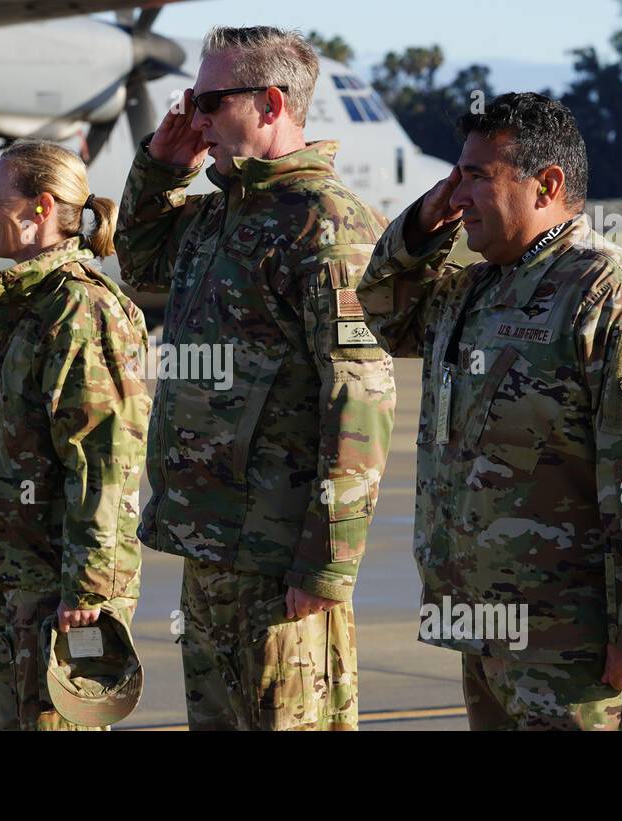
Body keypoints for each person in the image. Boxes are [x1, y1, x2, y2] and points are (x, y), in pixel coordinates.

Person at [357, 92, 622, 730]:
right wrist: (420, 226)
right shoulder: (474, 289)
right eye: (456, 176)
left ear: (547, 185)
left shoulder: (614, 297)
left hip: (581, 654)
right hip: (487, 631)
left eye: (478, 177)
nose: (459, 195)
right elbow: (385, 312)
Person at [114, 25, 396, 731]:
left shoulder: (328, 227)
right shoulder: (216, 216)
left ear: (271, 102)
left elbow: (359, 399)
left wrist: (327, 564)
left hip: (280, 560)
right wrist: (160, 165)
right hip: (212, 546)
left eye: (209, 98)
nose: (194, 115)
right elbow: (140, 261)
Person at [0, 140, 151, 731]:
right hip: (6, 581)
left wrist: (92, 588)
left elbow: (105, 462)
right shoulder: (18, 303)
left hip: (57, 593)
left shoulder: (82, 313)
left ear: (41, 207)